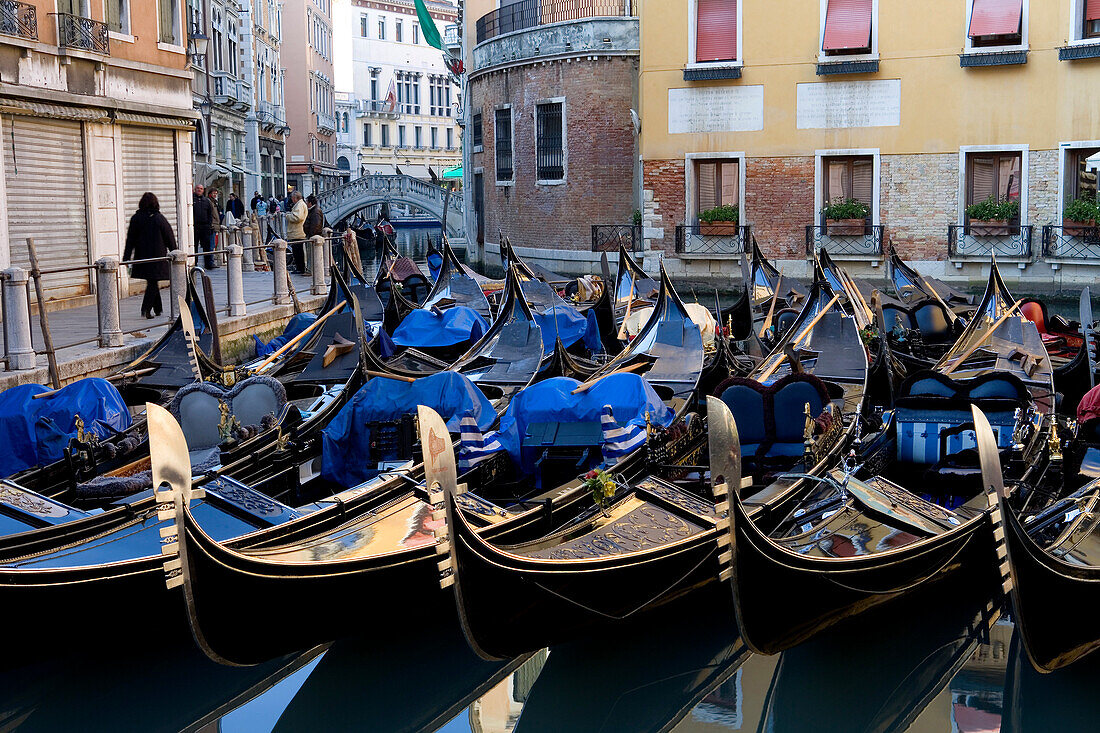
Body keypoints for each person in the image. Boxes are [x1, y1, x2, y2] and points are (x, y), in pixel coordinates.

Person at [124, 192, 175, 319]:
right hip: (157, 256)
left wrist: (126, 257)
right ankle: (145, 309)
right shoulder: (159, 218)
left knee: (152, 280)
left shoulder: (136, 218)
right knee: (153, 281)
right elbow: (169, 236)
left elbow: (130, 239)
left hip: (142, 256)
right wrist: (175, 252)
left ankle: (158, 309)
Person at [193, 184, 217, 269]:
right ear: (195, 189)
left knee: (207, 246)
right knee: (194, 246)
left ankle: (208, 264)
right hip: (195, 227)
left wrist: (209, 224)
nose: (199, 190)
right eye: (198, 188)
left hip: (205, 227)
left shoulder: (206, 201)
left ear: (203, 190)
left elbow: (210, 214)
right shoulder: (192, 200)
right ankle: (194, 263)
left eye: (201, 189)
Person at [285, 190, 308, 274]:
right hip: (297, 232)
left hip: (297, 232)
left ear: (295, 198)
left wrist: (288, 216)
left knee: (298, 252)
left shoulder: (300, 205)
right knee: (297, 251)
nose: (291, 199)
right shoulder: (300, 204)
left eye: (292, 198)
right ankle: (299, 268)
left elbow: (298, 217)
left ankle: (300, 268)